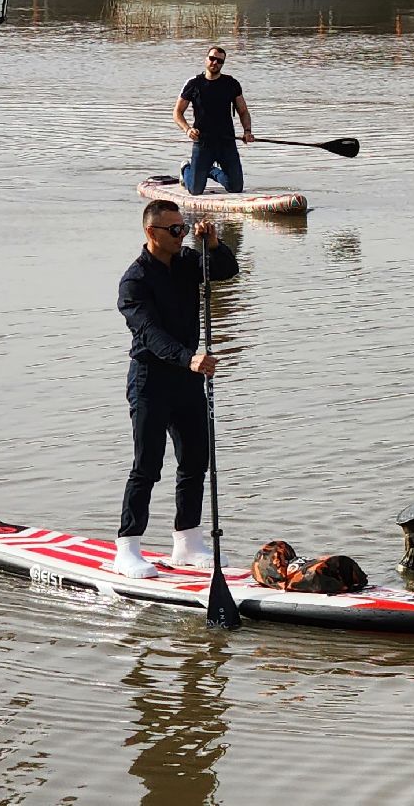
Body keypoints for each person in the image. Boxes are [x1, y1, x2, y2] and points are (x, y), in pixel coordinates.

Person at [113, 199, 240, 577]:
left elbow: (226, 271)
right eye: (173, 230)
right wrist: (189, 358)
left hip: (187, 381)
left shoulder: (187, 262)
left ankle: (187, 541)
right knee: (147, 467)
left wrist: (213, 244)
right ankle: (128, 547)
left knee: (195, 461)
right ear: (151, 233)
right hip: (150, 380)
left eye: (183, 228)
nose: (181, 235)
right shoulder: (134, 282)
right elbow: (150, 334)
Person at [175, 45, 254, 195]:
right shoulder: (193, 84)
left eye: (219, 61)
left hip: (226, 141)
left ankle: (210, 170)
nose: (215, 63)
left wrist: (247, 131)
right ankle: (186, 168)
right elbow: (177, 112)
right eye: (212, 59)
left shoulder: (231, 84)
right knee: (195, 190)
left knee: (235, 188)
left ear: (222, 64)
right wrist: (187, 129)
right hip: (203, 142)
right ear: (206, 59)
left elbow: (243, 111)